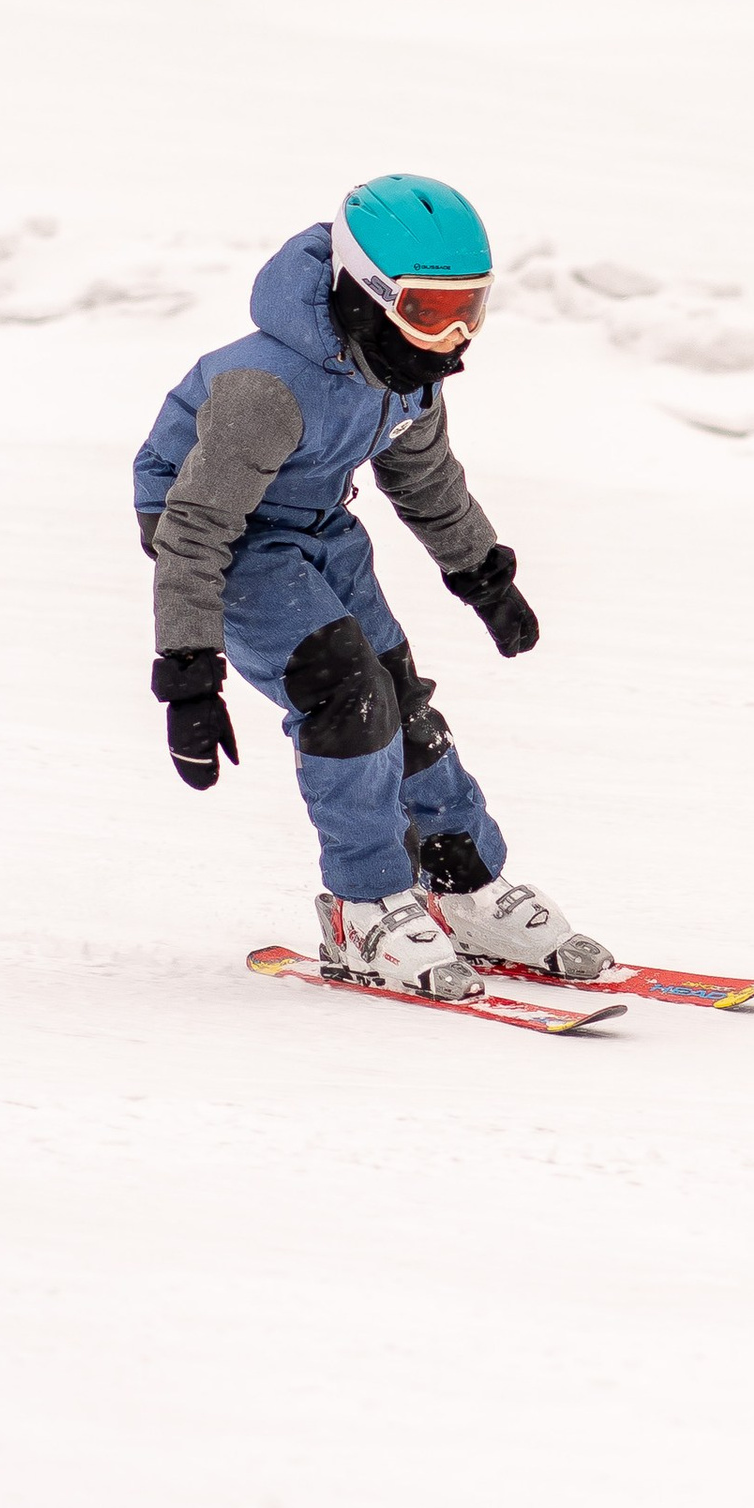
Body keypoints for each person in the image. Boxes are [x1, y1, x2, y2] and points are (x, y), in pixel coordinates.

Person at [132, 173, 611, 1003]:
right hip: (224, 534)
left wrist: (480, 572)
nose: (452, 333)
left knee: (400, 695)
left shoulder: (406, 373)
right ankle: (365, 908)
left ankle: (460, 884)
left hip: (317, 521)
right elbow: (195, 528)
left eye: (471, 308)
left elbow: (427, 481)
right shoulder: (264, 389)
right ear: (365, 294)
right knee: (345, 693)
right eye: (429, 310)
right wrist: (188, 668)